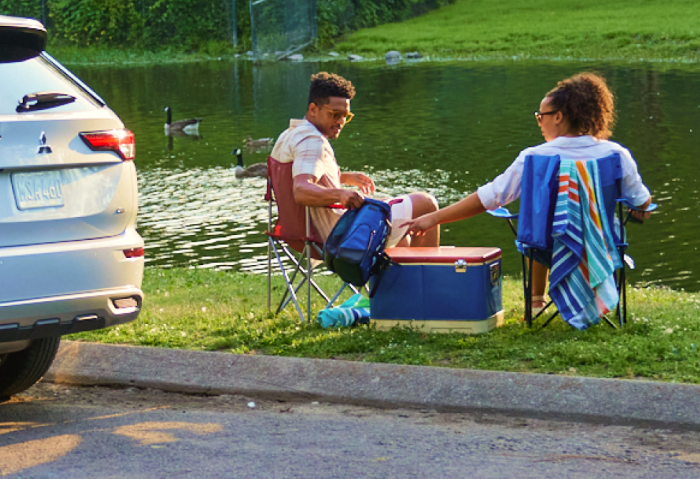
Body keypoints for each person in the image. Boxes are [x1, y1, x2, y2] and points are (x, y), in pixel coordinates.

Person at [402, 71, 652, 312]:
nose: (539, 122)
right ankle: (597, 297)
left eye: (541, 116)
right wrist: (639, 209)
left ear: (558, 117)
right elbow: (641, 200)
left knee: (539, 224)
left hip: (547, 247)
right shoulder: (616, 154)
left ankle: (536, 301)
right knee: (554, 223)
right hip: (600, 244)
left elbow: (490, 197)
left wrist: (435, 217)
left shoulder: (535, 157)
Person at [268, 71, 441, 248]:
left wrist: (342, 177)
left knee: (400, 231)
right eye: (335, 114)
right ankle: (431, 273)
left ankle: (408, 276)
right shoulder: (312, 141)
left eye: (346, 116)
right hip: (339, 235)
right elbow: (301, 190)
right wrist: (340, 194)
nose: (341, 122)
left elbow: (298, 174)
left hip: (301, 235)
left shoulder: (289, 135)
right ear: (313, 109)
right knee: (426, 203)